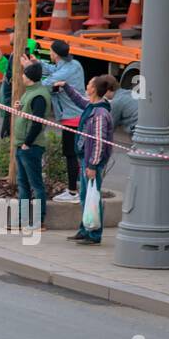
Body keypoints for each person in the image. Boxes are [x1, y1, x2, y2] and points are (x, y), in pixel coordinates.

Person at [55, 74, 116, 245]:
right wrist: (66, 86)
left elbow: (98, 142)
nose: (86, 86)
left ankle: (94, 233)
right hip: (87, 159)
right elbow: (78, 100)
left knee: (92, 197)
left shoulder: (100, 114)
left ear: (94, 89)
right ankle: (85, 229)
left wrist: (92, 165)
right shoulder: (92, 106)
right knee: (86, 196)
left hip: (92, 162)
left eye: (89, 83)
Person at [35, 40, 86, 203]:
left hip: (72, 119)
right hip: (79, 116)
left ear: (55, 54)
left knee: (70, 155)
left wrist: (31, 71)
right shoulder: (75, 64)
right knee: (77, 156)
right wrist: (36, 62)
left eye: (50, 51)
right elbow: (53, 69)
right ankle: (77, 188)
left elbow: (44, 84)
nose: (49, 53)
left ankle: (72, 192)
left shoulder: (63, 73)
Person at [13, 61, 51, 237]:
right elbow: (28, 116)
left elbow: (37, 122)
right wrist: (19, 110)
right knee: (23, 184)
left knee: (35, 184)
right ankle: (22, 220)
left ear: (29, 77)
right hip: (22, 145)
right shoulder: (31, 93)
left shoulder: (39, 96)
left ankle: (38, 221)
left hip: (31, 146)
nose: (22, 76)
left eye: (24, 73)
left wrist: (27, 142)